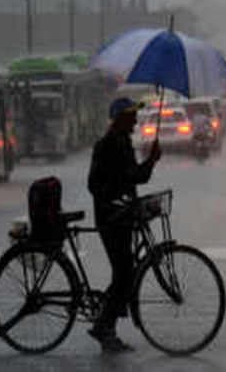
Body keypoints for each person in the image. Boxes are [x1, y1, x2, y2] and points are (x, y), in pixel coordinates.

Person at [87, 97, 161, 353]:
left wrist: (150, 161)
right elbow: (97, 185)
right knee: (123, 275)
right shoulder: (107, 145)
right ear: (120, 119)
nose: (136, 121)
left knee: (125, 273)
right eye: (131, 116)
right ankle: (102, 327)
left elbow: (134, 177)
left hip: (122, 216)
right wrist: (149, 162)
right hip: (111, 218)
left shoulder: (123, 143)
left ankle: (108, 327)